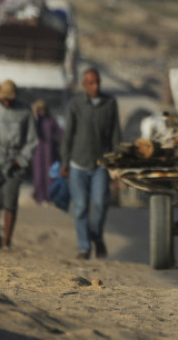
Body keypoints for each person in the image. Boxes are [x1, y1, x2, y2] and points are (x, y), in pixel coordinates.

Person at [60, 67, 121, 260]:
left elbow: (115, 135)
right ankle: (84, 247)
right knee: (79, 207)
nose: (95, 87)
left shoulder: (110, 103)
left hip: (101, 164)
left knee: (101, 203)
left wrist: (116, 164)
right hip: (78, 163)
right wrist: (65, 162)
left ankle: (97, 236)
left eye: (97, 83)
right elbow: (68, 134)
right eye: (91, 83)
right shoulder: (76, 104)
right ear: (84, 85)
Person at [0, 79, 38, 249]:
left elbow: (32, 141)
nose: (7, 102)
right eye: (4, 99)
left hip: (15, 162)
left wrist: (21, 159)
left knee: (10, 203)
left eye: (10, 99)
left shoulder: (25, 111)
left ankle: (7, 241)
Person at [31, 100, 62, 205]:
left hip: (49, 151)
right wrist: (34, 115)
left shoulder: (51, 120)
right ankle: (39, 196)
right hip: (37, 151)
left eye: (43, 108)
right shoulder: (35, 120)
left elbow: (60, 133)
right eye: (39, 109)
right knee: (38, 175)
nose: (42, 111)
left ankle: (49, 196)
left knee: (49, 175)